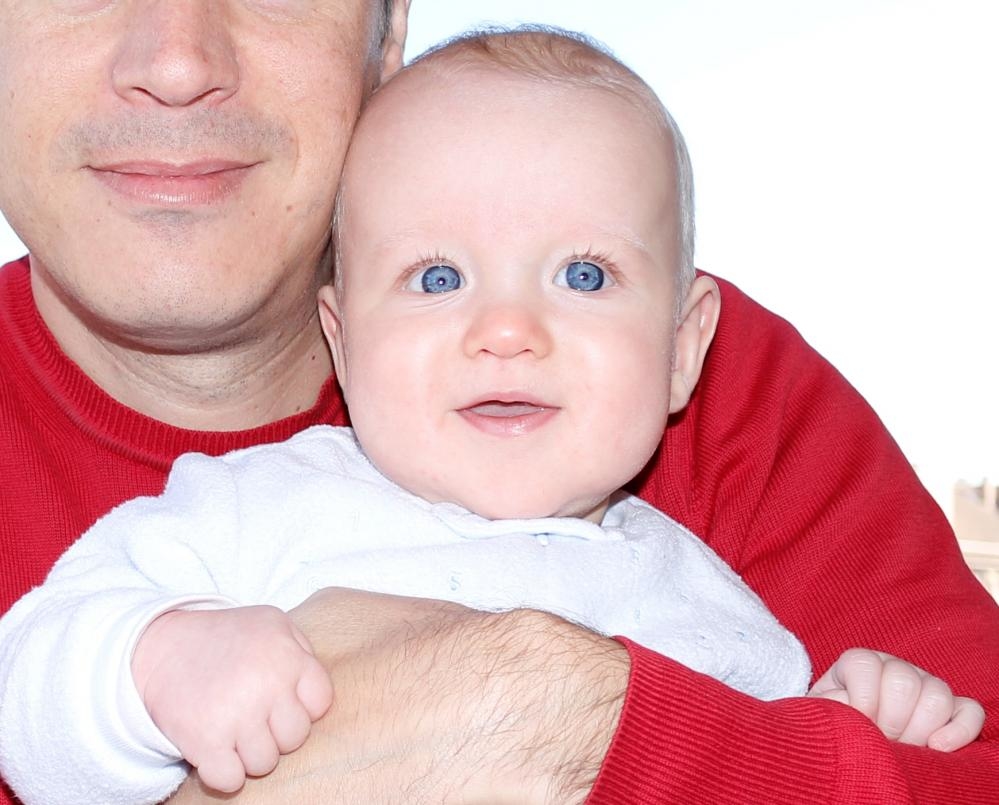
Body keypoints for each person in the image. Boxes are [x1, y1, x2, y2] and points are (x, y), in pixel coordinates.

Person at [0, 3, 995, 804]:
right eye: (437, 278)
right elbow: (40, 668)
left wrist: (849, 714)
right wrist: (154, 661)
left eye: (584, 275)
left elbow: (841, 738)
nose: (509, 330)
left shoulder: (700, 568)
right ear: (344, 336)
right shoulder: (245, 508)